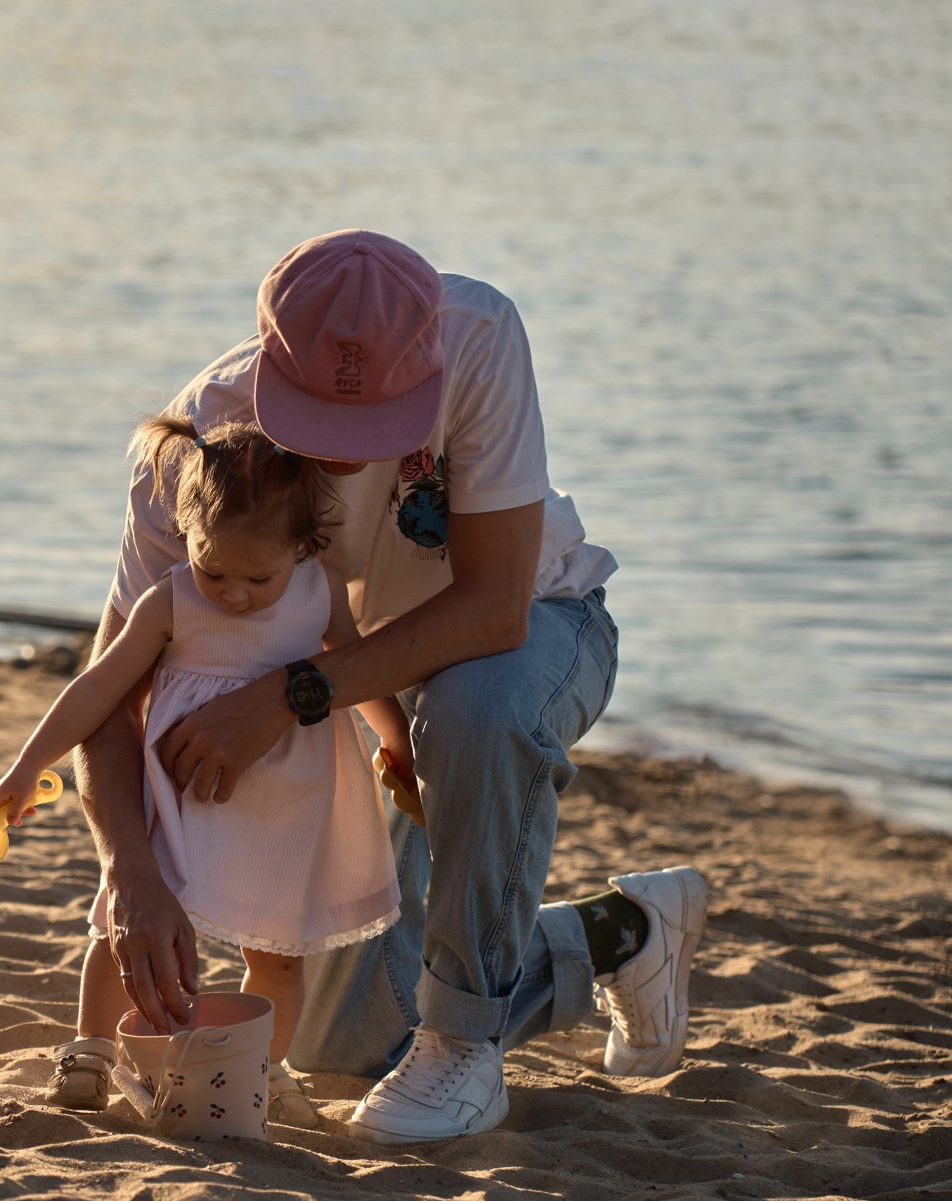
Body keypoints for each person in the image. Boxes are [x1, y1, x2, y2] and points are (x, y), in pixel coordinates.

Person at [62, 228, 709, 1142]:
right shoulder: (202, 445)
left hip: (528, 629)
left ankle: (464, 1044)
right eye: (316, 421)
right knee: (344, 1039)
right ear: (268, 359)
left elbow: (492, 611)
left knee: (475, 704)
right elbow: (108, 694)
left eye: (366, 428)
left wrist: (288, 697)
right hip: (358, 673)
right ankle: (619, 934)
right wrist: (129, 873)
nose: (340, 454)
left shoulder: (478, 336)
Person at [0, 416, 409, 1127]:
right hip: (175, 791)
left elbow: (361, 674)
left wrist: (402, 747)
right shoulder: (171, 600)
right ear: (184, 535)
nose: (234, 594)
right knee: (123, 926)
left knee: (277, 951)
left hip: (286, 802)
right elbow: (97, 689)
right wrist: (29, 764)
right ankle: (90, 1049)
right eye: (214, 569)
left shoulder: (320, 593)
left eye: (257, 577)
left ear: (303, 548)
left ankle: (261, 1070)